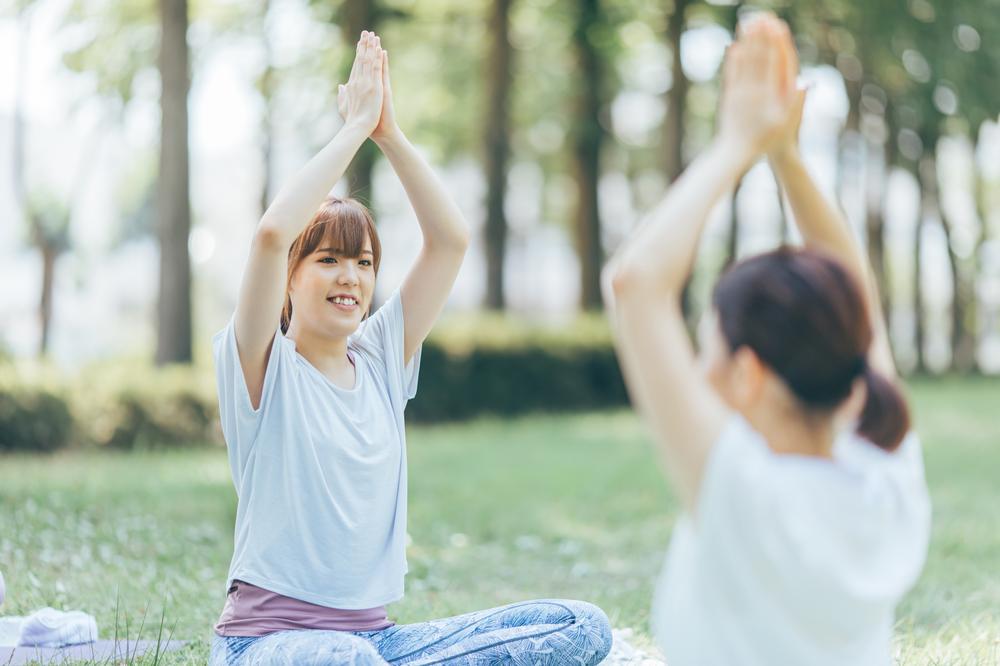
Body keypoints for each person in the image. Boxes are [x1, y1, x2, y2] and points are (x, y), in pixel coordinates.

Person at [209, 30, 612, 666]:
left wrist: (387, 132)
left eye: (364, 262)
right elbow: (268, 234)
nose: (351, 276)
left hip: (382, 642)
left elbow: (450, 239)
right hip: (269, 645)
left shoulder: (380, 361)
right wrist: (351, 130)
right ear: (291, 275)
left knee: (579, 626)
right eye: (328, 259)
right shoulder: (262, 365)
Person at [602, 15, 931, 666]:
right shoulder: (887, 473)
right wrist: (786, 156)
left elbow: (636, 283)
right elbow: (853, 296)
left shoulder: (744, 494)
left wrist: (737, 143)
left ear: (748, 374)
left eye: (709, 345)